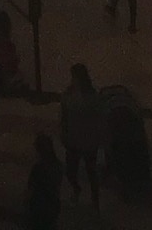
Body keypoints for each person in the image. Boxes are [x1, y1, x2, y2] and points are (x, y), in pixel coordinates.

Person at [57, 62, 102, 213]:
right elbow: (64, 115)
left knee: (91, 172)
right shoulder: (69, 94)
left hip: (87, 141)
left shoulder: (91, 96)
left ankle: (94, 200)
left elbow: (98, 119)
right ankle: (78, 190)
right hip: (74, 140)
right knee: (71, 171)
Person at [22, 133, 62, 230]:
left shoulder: (38, 168)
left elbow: (31, 188)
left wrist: (26, 202)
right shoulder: (57, 165)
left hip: (39, 206)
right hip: (52, 205)